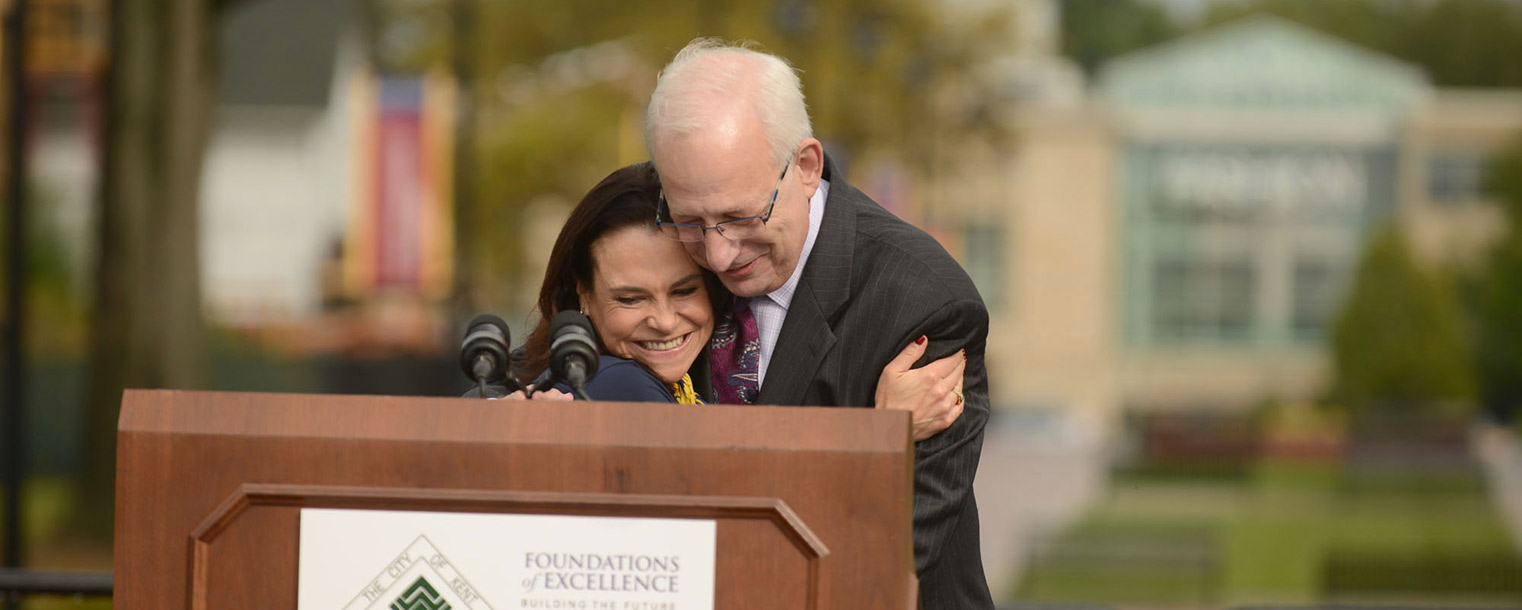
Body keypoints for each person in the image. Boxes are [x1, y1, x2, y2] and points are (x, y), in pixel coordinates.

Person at [645, 39, 994, 607]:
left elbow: (883, 560)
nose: (717, 254)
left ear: (806, 166)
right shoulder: (670, 253)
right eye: (690, 221)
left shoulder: (924, 303)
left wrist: (872, 445)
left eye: (740, 217)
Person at [510, 162, 969, 434]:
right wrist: (884, 434)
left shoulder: (681, 374)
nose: (666, 321)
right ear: (582, 296)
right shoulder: (617, 389)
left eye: (684, 290)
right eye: (631, 299)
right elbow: (745, 523)